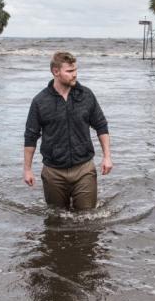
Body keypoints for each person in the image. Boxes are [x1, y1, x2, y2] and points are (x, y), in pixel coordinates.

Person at [23, 51, 113, 211]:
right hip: (53, 172)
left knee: (87, 218)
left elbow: (101, 126)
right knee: (56, 218)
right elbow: (31, 136)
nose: (75, 75)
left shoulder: (86, 95)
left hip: (84, 168)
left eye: (75, 70)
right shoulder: (40, 101)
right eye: (70, 71)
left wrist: (107, 157)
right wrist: (27, 169)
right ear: (56, 72)